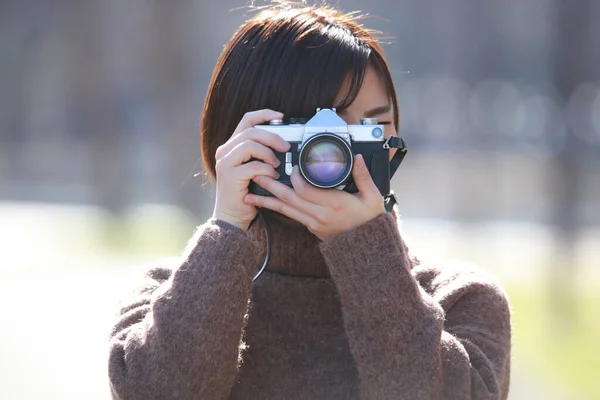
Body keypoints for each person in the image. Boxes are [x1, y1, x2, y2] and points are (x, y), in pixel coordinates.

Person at [107, 3, 511, 399]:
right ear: (239, 141)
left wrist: (368, 251)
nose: (339, 153)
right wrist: (228, 230)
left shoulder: (460, 300)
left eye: (373, 126)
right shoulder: (169, 295)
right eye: (316, 132)